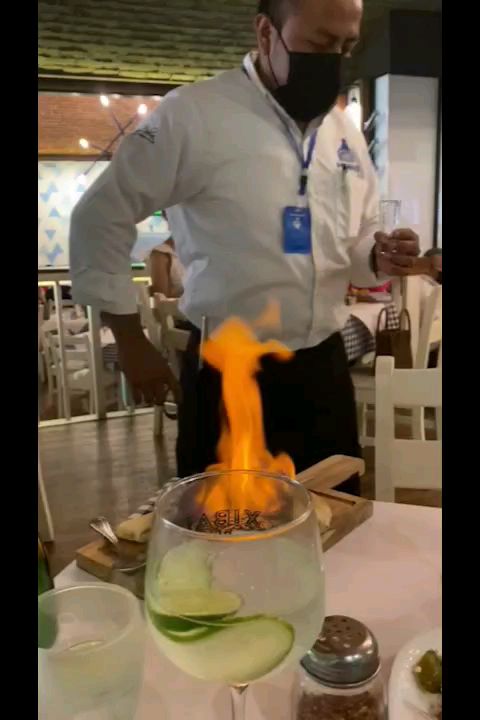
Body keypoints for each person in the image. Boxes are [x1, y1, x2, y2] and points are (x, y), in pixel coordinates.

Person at [70, 0, 427, 490]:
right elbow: (98, 216)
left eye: (347, 47)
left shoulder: (342, 131)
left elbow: (355, 241)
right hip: (230, 369)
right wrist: (130, 339)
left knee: (335, 519)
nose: (334, 61)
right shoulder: (192, 115)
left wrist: (376, 254)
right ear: (265, 33)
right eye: (320, 43)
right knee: (225, 528)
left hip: (323, 370)